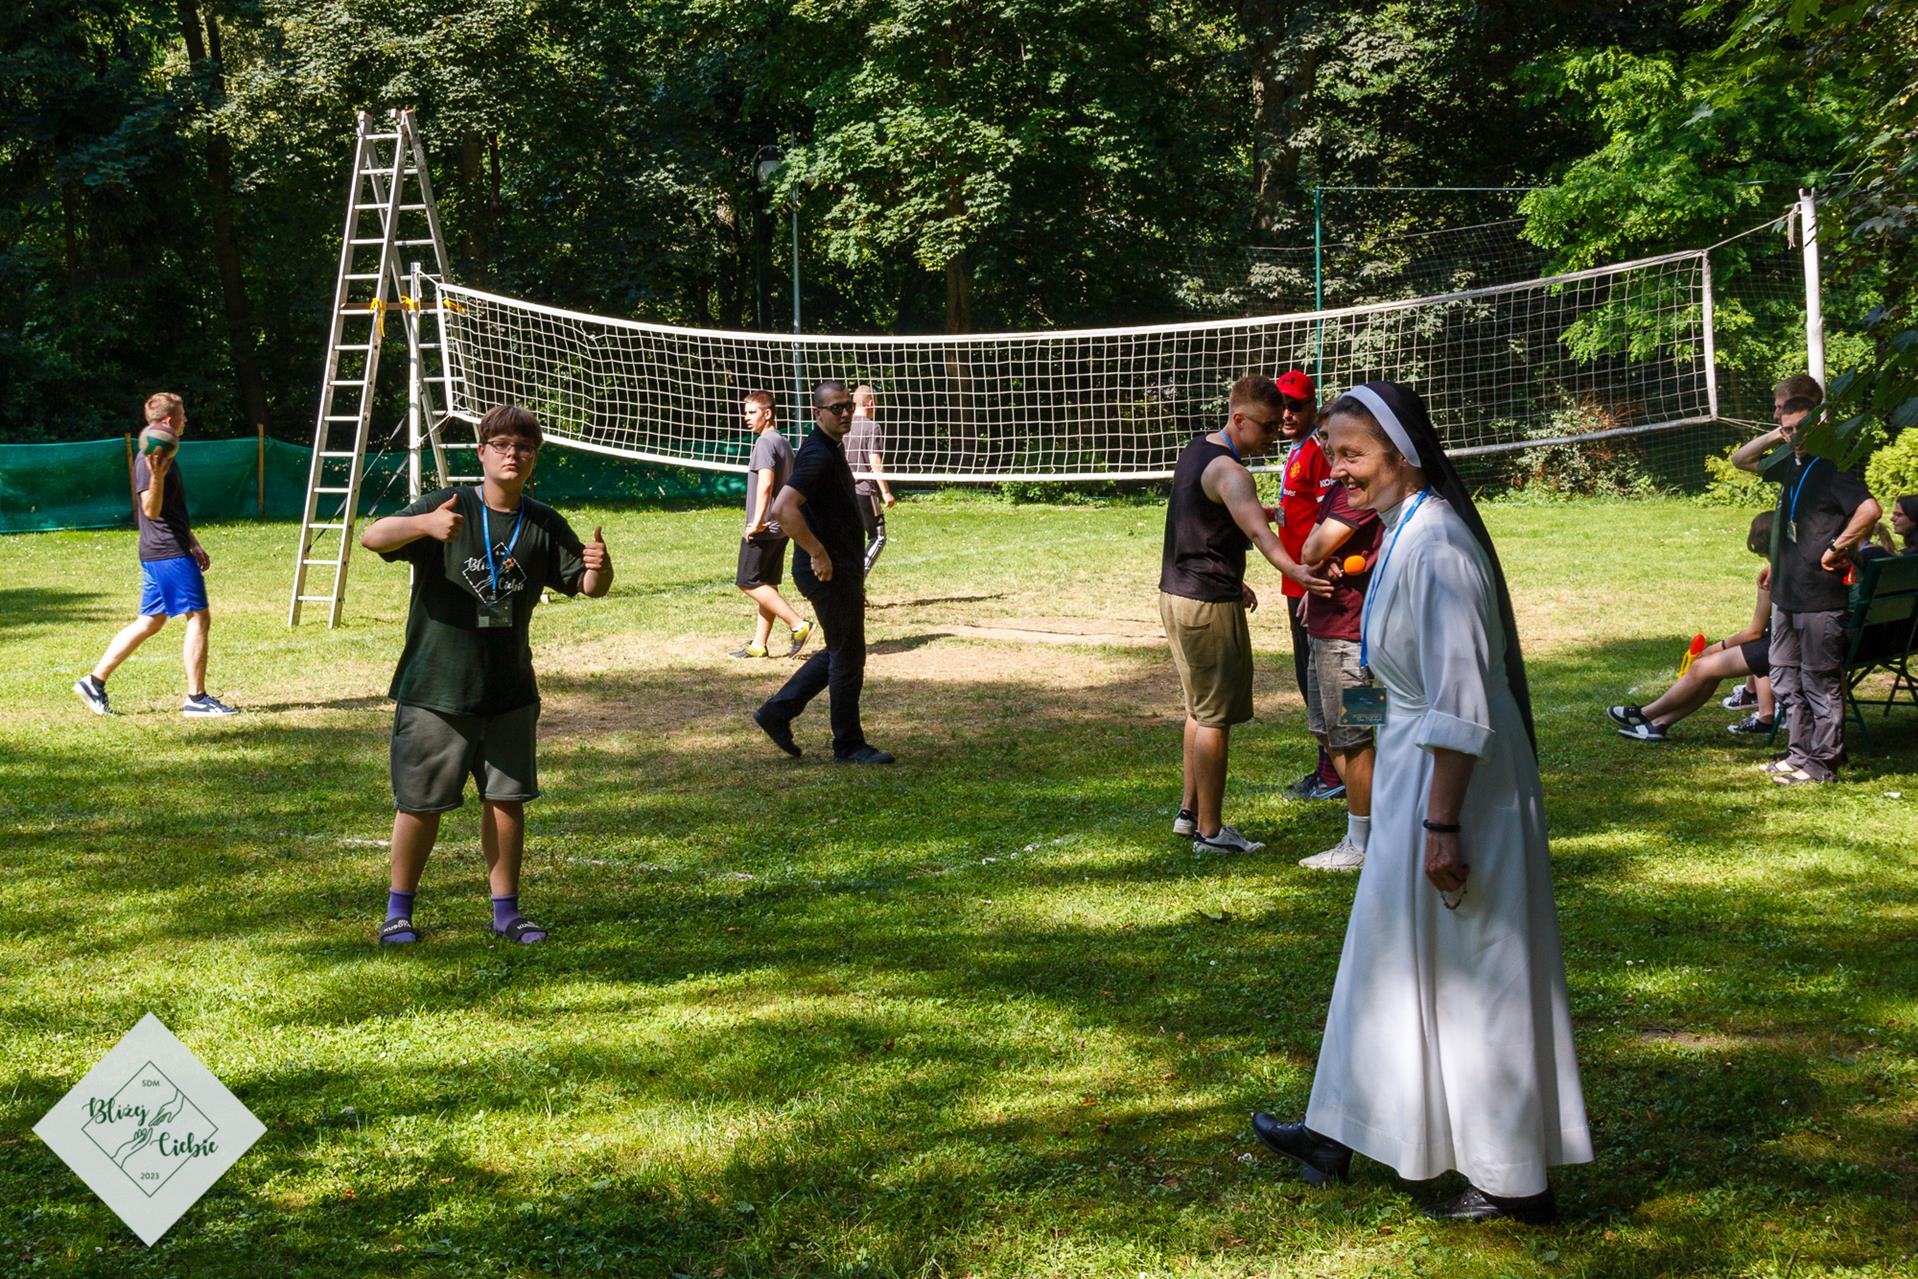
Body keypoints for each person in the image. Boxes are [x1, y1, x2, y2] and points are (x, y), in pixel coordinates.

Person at [1252, 380, 1591, 1224]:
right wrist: (1368, 736)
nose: (1338, 469)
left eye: (1353, 454)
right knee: (1385, 957)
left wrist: (1442, 824)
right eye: (1332, 452)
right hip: (1414, 770)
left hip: (1460, 790)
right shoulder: (1401, 526)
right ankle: (1338, 1130)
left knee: (1478, 968)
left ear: (1402, 454)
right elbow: (1399, 671)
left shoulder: (1438, 547)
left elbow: (1460, 703)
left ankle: (1514, 1179)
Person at [358, 404, 613, 945]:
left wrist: (599, 567)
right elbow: (373, 537)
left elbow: (588, 587)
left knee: (506, 801)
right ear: (481, 452)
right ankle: (398, 913)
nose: (512, 455)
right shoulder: (448, 505)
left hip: (509, 689)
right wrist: (424, 525)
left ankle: (506, 913)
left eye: (524, 447)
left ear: (534, 458)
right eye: (501, 445)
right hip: (436, 688)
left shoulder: (542, 521)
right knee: (420, 804)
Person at [1163, 374, 1329, 855]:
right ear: (1238, 418)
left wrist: (1233, 577)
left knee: (1198, 709)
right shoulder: (1233, 473)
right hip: (1206, 604)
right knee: (1215, 717)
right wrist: (1297, 571)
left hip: (1179, 593)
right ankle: (1211, 832)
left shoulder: (1197, 450)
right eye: (1268, 425)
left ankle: (1190, 813)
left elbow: (1201, 523)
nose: (1276, 433)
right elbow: (1258, 533)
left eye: (1279, 425)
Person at [1729, 374, 1880, 785]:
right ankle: (1799, 755)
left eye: (1800, 429)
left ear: (1817, 427)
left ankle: (1822, 763)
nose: (1794, 436)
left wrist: (1837, 547)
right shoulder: (1790, 465)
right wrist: (1779, 561)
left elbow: (1869, 510)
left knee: (1818, 681)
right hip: (1788, 592)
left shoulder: (1831, 469)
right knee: (1784, 676)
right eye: (1788, 429)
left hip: (1819, 598)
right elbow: (1740, 459)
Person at [73, 392, 239, 718]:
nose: (186, 419)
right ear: (169, 421)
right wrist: (157, 477)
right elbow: (150, 510)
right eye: (183, 414)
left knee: (150, 621)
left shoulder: (163, 455)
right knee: (199, 617)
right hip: (167, 553)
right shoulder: (149, 460)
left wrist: (192, 540)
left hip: (166, 548)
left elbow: (170, 511)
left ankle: (94, 682)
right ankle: (197, 699)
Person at [753, 381, 894, 764]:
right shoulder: (817, 453)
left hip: (840, 568)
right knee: (848, 657)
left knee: (841, 649)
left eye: (847, 406)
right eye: (836, 408)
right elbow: (783, 508)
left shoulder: (831, 447)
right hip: (827, 572)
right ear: (817, 413)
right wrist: (818, 553)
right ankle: (848, 746)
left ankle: (777, 712)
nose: (845, 413)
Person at [1608, 512, 1779, 741]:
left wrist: (1717, 647)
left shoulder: (1771, 577)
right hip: (1779, 642)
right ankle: (1657, 724)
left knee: (1702, 668)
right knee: (1708, 671)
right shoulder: (1781, 571)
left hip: (1782, 646)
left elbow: (1754, 632)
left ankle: (1646, 713)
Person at [1293, 474, 1382, 869]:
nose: (1332, 454)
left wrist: (1315, 558)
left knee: (1356, 737)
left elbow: (1310, 547)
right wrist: (1312, 575)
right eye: (1328, 444)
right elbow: (1311, 550)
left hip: (1352, 637)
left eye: (1346, 450)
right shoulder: (1337, 491)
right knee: (1325, 730)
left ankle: (1364, 843)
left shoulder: (1359, 494)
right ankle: (1383, 820)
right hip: (1325, 626)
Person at [1272, 370, 1344, 800]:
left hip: (1320, 586)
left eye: (1295, 406)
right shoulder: (1300, 450)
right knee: (1315, 679)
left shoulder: (1320, 455)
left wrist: (1315, 569)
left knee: (1341, 682)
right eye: (1280, 405)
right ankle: (1335, 770)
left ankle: (1350, 773)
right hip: (1303, 581)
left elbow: (1331, 520)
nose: (1286, 414)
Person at [732, 390, 813, 659]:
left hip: (765, 527)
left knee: (748, 582)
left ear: (767, 414)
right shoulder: (782, 441)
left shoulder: (765, 443)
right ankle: (759, 645)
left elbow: (766, 483)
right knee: (766, 583)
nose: (747, 417)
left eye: (752, 412)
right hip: (780, 525)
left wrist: (756, 522)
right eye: (745, 413)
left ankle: (798, 625)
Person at [845, 384, 894, 578]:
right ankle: (856, 578)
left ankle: (846, 580)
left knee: (851, 537)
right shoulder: (872, 427)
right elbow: (875, 462)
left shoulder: (842, 424)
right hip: (864, 490)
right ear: (871, 403)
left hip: (843, 489)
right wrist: (886, 492)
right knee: (878, 537)